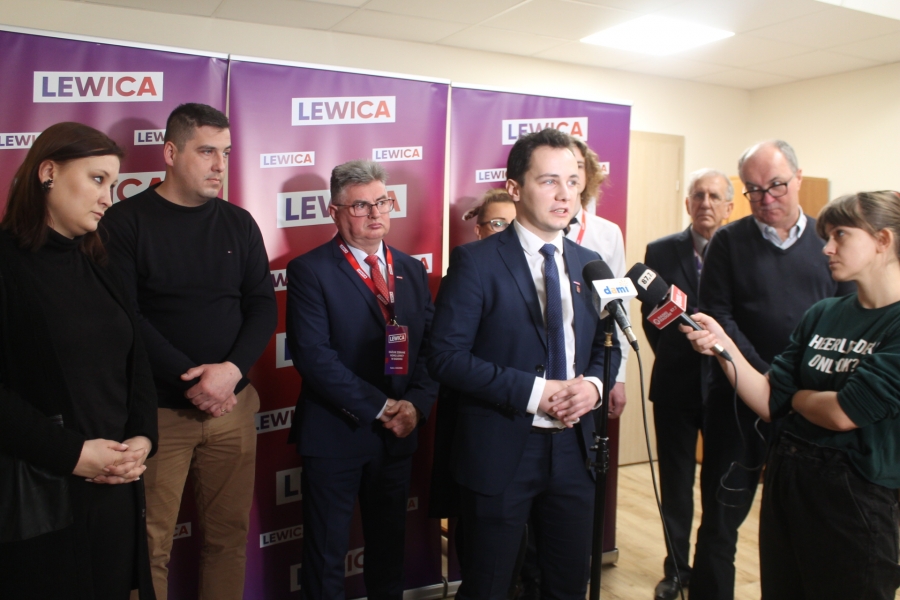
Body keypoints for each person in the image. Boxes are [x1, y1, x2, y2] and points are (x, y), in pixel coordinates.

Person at [428, 127, 621, 600]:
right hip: (501, 449)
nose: (565, 194)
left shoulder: (591, 263)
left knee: (566, 586)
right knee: (489, 586)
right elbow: (445, 357)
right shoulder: (476, 262)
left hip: (575, 450)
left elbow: (607, 345)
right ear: (515, 188)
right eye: (549, 181)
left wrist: (594, 386)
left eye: (573, 182)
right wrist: (537, 393)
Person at [683, 190, 900, 600]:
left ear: (882, 240)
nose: (827, 248)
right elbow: (770, 401)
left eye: (840, 235)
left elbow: (844, 413)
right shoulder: (823, 314)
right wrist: (722, 345)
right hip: (789, 484)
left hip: (859, 500)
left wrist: (796, 399)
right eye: (827, 237)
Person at [102, 104, 277, 600]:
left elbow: (262, 306)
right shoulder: (124, 222)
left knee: (228, 538)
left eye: (226, 152)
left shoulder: (239, 222)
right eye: (206, 151)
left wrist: (230, 373)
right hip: (157, 414)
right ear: (170, 153)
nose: (220, 165)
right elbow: (126, 317)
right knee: (149, 546)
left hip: (232, 407)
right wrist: (196, 380)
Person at [0, 122, 158, 599]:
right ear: (48, 172)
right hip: (41, 498)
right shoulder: (6, 264)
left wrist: (142, 437)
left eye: (112, 184)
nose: (108, 198)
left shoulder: (99, 261)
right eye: (97, 180)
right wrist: (75, 455)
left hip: (115, 489)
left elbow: (136, 362)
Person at [692, 140, 854, 600]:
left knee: (798, 525)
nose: (766, 198)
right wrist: (763, 379)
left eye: (777, 185)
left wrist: (789, 387)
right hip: (737, 404)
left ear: (798, 178)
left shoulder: (830, 243)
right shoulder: (728, 241)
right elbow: (719, 317)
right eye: (754, 189)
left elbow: (843, 321)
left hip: (807, 409)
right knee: (720, 523)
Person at [286, 160, 438, 600]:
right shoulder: (309, 270)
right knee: (326, 556)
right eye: (360, 206)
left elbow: (432, 349)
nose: (375, 213)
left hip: (398, 435)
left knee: (389, 554)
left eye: (382, 202)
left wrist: (415, 406)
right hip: (336, 433)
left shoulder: (410, 269)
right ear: (333, 211)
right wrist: (383, 407)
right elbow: (314, 357)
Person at [641, 169, 733, 600]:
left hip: (726, 387)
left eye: (714, 196)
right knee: (676, 484)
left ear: (729, 206)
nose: (705, 203)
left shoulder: (739, 250)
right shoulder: (661, 250)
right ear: (687, 203)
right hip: (675, 384)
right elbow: (652, 316)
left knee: (719, 485)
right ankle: (677, 569)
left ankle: (711, 567)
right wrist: (676, 351)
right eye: (698, 195)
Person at [568, 137, 628, 417]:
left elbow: (618, 308)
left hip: (591, 358)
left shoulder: (608, 233)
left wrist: (617, 376)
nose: (571, 172)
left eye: (578, 166)